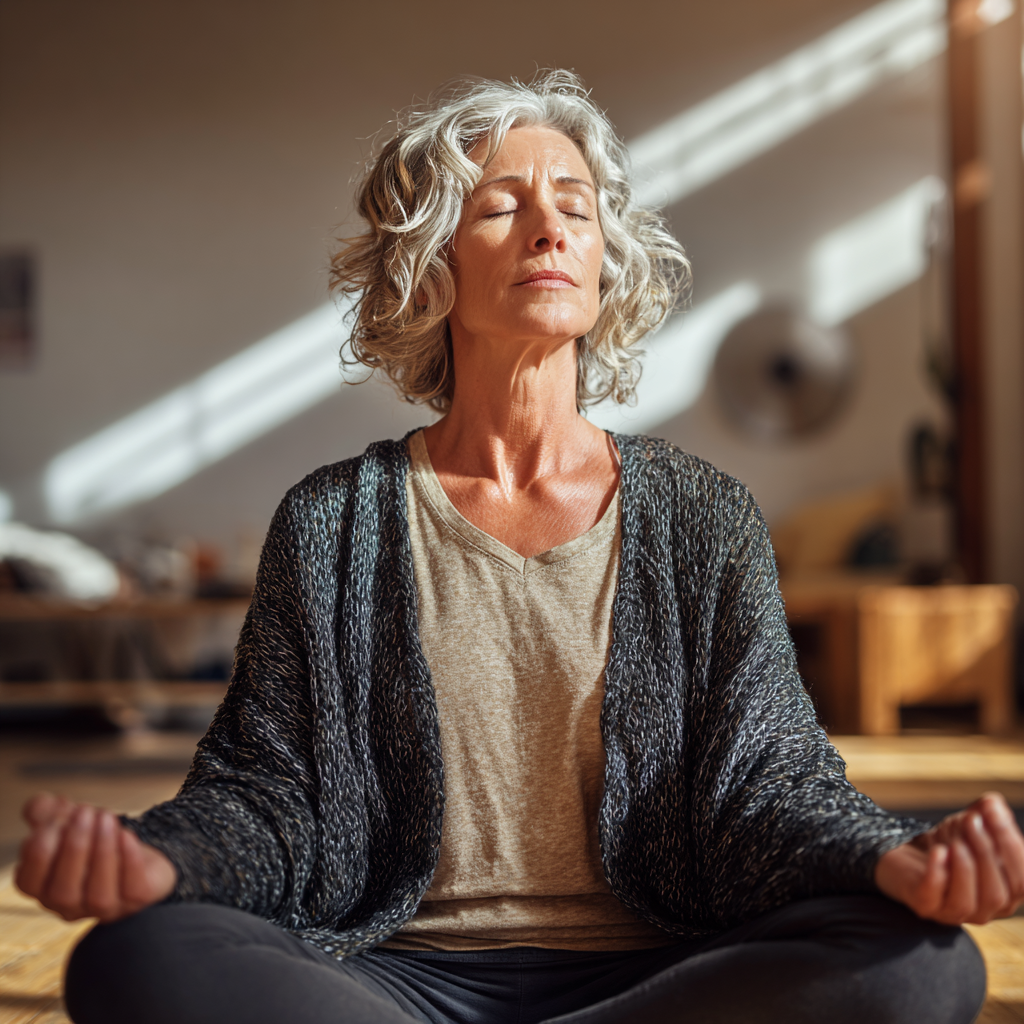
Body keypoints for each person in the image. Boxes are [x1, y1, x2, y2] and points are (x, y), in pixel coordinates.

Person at [16, 71, 1022, 1024]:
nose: (549, 227)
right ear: (428, 262)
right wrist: (161, 859)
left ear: (602, 258)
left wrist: (889, 856)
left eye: (576, 208)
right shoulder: (333, 523)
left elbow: (766, 780)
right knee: (131, 956)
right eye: (501, 207)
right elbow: (267, 790)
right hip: (399, 979)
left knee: (925, 964)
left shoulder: (703, 516)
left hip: (657, 971)